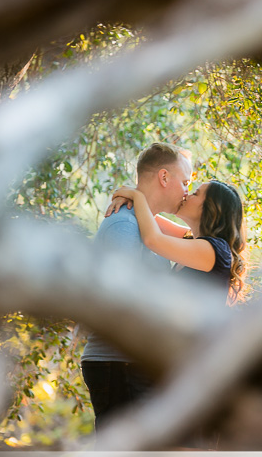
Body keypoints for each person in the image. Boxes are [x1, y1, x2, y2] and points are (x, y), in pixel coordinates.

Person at [80, 142, 192, 431]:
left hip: (132, 362)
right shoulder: (124, 225)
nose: (186, 192)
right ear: (164, 178)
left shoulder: (146, 226)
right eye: (185, 182)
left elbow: (200, 237)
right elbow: (119, 299)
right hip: (116, 363)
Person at [108, 178, 248, 306]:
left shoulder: (215, 250)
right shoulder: (193, 239)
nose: (187, 195)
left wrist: (137, 196)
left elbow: (153, 240)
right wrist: (129, 199)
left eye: (195, 193)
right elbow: (150, 218)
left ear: (211, 208)